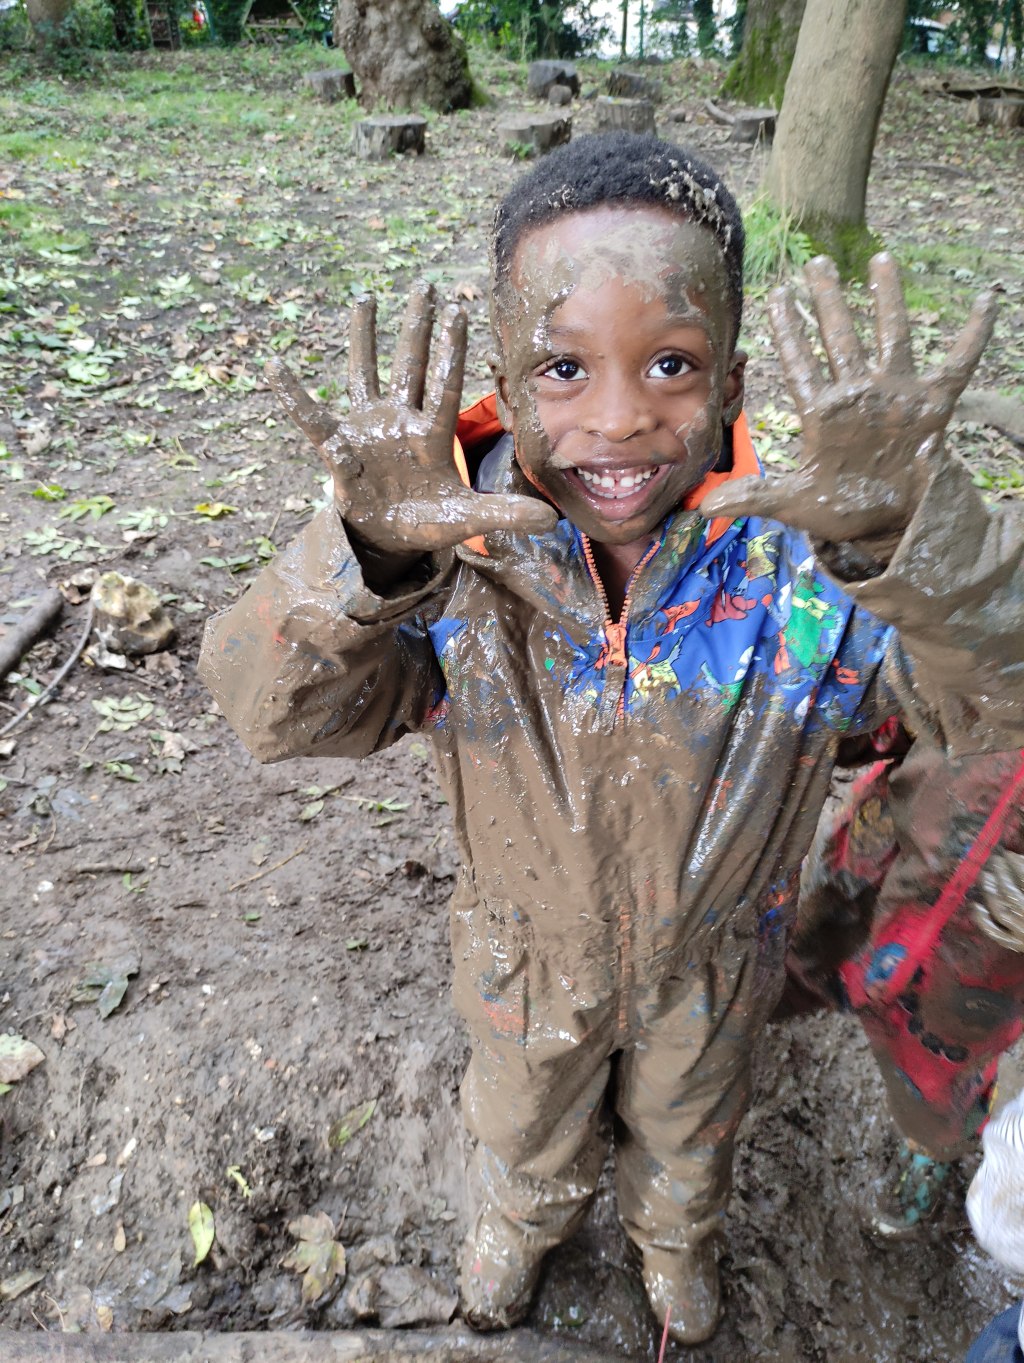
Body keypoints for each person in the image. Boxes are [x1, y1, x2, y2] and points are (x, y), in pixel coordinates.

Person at [198, 132, 1024, 1346]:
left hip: (718, 963)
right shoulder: (451, 567)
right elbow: (267, 711)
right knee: (524, 1121)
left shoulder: (805, 580)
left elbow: (993, 710)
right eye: (564, 368)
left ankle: (672, 1239)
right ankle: (520, 1222)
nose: (621, 417)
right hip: (521, 960)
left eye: (671, 364)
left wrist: (913, 549)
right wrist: (362, 559)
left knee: (693, 1130)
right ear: (504, 376)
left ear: (733, 384)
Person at [787, 731, 1024, 1237]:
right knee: (820, 938)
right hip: (913, 810)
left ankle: (930, 1144)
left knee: (940, 1058)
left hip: (987, 941)